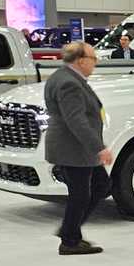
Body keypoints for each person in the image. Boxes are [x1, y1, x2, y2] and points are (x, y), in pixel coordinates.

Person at [45, 42, 112, 255]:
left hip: (76, 149)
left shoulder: (65, 77)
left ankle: (70, 233)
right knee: (81, 195)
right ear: (81, 60)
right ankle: (69, 240)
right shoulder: (69, 83)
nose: (96, 63)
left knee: (100, 185)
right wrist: (99, 148)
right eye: (93, 58)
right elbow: (76, 121)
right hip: (73, 149)